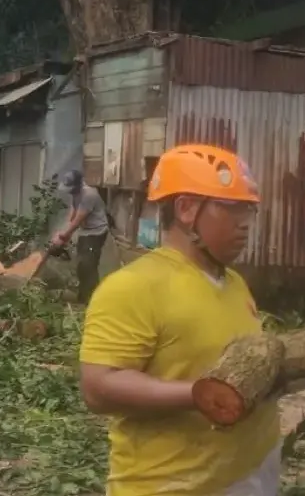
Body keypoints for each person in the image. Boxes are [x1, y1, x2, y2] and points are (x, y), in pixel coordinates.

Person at [79, 144, 279, 496]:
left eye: (248, 211)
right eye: (232, 209)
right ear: (186, 209)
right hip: (172, 485)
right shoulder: (133, 287)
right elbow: (98, 388)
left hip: (252, 468)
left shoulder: (234, 282)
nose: (245, 224)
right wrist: (199, 395)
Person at [51, 169, 110, 303]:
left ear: (78, 184)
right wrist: (63, 230)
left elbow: (78, 220)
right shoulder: (75, 193)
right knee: (81, 266)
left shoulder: (89, 195)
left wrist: (64, 236)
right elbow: (73, 212)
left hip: (96, 233)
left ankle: (92, 299)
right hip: (85, 231)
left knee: (88, 265)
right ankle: (83, 296)